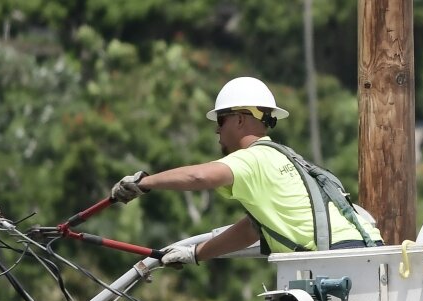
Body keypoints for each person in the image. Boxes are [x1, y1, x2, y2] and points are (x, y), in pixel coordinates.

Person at [110, 76, 380, 264]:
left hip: (338, 257)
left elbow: (199, 176)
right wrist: (195, 253)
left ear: (239, 119)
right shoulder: (283, 157)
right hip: (363, 253)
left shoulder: (253, 159)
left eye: (221, 120)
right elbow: (252, 229)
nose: (217, 129)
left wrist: (144, 183)